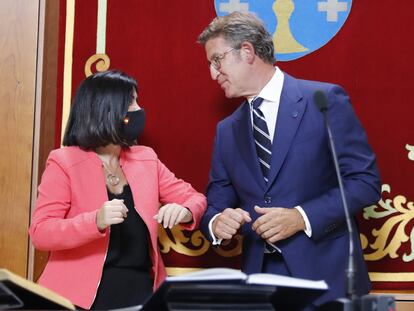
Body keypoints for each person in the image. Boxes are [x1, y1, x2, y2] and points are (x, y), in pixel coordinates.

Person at [197, 12, 381, 308]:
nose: (213, 73)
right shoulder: (227, 130)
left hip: (327, 279)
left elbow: (365, 182)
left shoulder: (324, 99)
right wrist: (217, 221)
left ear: (246, 51)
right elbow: (216, 202)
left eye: (217, 60)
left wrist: (301, 217)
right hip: (260, 284)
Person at [29, 70, 207, 309]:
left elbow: (195, 198)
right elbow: (41, 232)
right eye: (131, 102)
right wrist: (95, 221)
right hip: (78, 297)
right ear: (107, 110)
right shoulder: (64, 161)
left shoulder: (146, 158)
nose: (138, 109)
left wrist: (184, 211)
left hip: (141, 292)